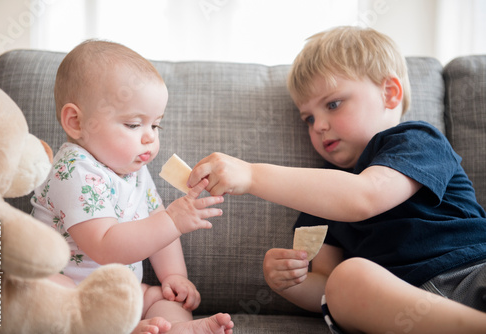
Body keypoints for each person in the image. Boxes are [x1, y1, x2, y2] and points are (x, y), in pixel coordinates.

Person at [187, 26, 486, 333]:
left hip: (471, 272)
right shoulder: (318, 194)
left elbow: (363, 197)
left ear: (390, 93)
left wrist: (251, 175)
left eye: (332, 104)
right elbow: (325, 288)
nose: (318, 126)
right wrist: (291, 282)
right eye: (309, 118)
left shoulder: (416, 140)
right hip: (400, 310)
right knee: (344, 281)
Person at [31, 40, 234, 334]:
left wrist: (174, 276)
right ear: (76, 122)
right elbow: (105, 246)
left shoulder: (135, 170)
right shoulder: (72, 169)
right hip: (74, 290)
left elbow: (156, 218)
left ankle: (177, 328)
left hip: (121, 292)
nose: (150, 138)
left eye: (156, 125)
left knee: (160, 299)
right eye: (133, 124)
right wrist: (172, 221)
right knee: (46, 292)